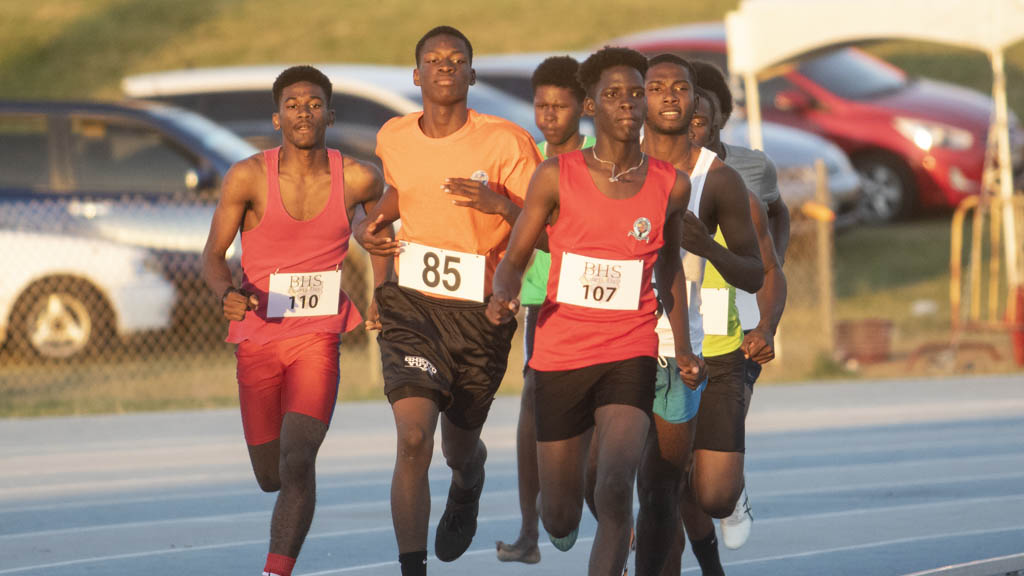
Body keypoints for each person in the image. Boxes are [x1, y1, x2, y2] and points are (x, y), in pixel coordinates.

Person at [487, 46, 705, 576]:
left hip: (629, 349)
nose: (629, 104)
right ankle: (556, 520)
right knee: (560, 517)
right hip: (560, 354)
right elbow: (515, 257)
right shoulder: (553, 175)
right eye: (614, 95)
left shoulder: (669, 185)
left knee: (614, 488)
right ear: (591, 105)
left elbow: (670, 267)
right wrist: (503, 294)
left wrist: (681, 345)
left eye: (637, 93)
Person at [352, 26, 542, 576]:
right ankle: (413, 568)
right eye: (433, 59)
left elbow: (545, 225)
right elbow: (397, 195)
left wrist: (500, 206)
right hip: (410, 303)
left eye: (456, 59)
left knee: (458, 446)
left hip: (481, 312)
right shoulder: (394, 136)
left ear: (471, 74)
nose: (444, 66)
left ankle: (468, 480)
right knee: (413, 436)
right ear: (416, 75)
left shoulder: (506, 142)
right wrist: (371, 228)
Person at [201, 65, 387, 576]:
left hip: (318, 337)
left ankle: (275, 569)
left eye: (313, 103)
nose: (303, 112)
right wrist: (225, 294)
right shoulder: (248, 176)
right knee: (270, 474)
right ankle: (288, 492)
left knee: (298, 458)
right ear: (277, 117)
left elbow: (379, 236)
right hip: (258, 338)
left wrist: (382, 290)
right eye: (292, 104)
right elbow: (214, 255)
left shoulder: (358, 176)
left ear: (330, 113)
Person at [634, 54, 764, 576]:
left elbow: (754, 272)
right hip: (634, 342)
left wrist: (706, 246)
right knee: (648, 483)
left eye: (680, 88)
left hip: (710, 348)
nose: (669, 96)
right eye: (657, 87)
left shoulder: (722, 179)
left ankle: (730, 493)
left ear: (694, 104)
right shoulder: (615, 168)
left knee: (709, 493)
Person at [685, 61, 791, 558]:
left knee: (719, 446)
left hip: (738, 318)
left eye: (699, 118)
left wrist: (772, 274)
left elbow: (777, 216)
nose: (686, 125)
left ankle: (732, 482)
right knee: (676, 464)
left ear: (719, 118)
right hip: (672, 331)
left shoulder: (749, 170)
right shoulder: (647, 174)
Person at [495, 54, 595, 566]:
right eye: (540, 105)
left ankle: (616, 515)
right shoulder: (526, 157)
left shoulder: (605, 155)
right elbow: (517, 238)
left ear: (584, 106)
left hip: (603, 299)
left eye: (560, 105)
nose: (549, 115)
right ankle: (530, 530)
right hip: (544, 297)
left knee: (607, 411)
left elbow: (571, 229)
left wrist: (507, 211)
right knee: (533, 399)